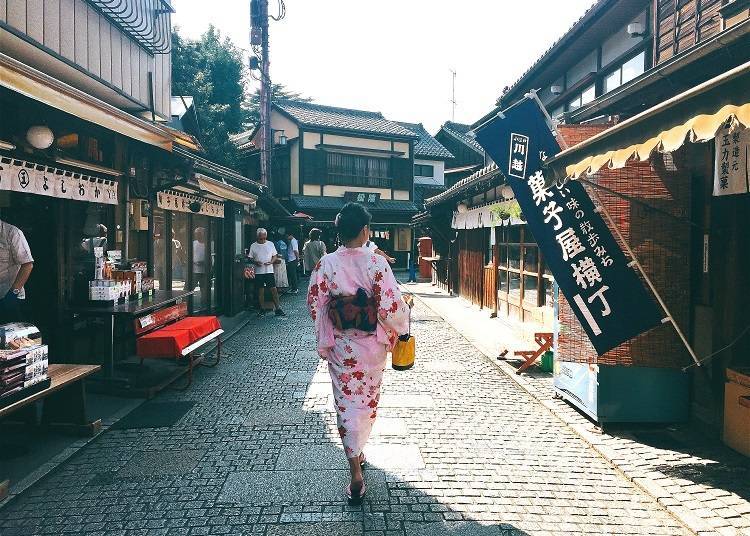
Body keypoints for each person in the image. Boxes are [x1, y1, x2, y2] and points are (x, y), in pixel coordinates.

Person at [307, 203, 410, 504]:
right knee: (366, 401)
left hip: (342, 346)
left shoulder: (325, 264)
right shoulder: (377, 263)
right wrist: (402, 325)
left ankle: (355, 466)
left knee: (345, 403)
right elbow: (392, 307)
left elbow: (315, 305)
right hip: (371, 347)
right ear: (365, 230)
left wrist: (329, 331)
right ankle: (358, 452)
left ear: (339, 232)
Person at [0, 218, 34, 324]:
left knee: (10, 336)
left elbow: (27, 265)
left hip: (8, 298)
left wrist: (13, 294)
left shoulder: (12, 232)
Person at [249, 228, 285, 317]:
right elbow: (250, 257)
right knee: (260, 290)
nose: (262, 240)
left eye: (264, 238)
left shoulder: (270, 244)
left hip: (269, 270)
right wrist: (255, 262)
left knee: (273, 289)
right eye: (261, 238)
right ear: (257, 237)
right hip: (258, 271)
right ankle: (262, 309)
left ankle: (278, 308)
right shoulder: (253, 245)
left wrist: (271, 262)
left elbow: (275, 255)